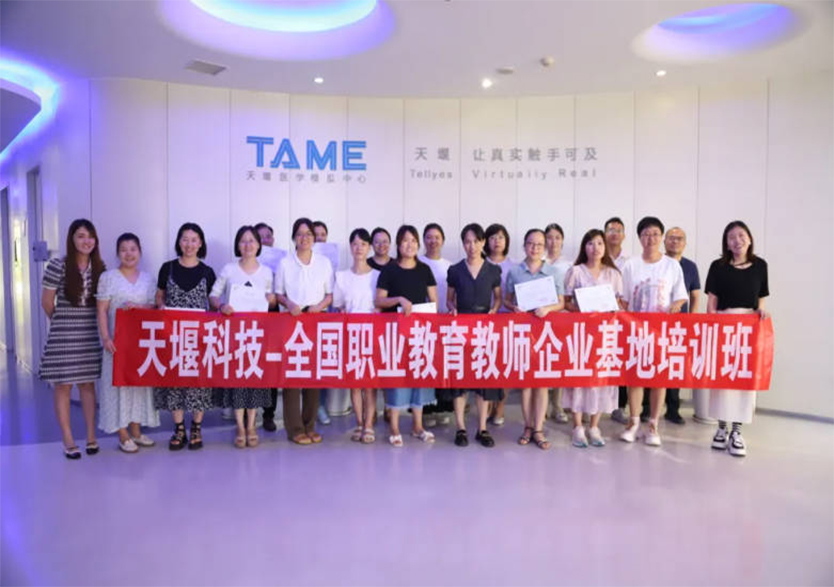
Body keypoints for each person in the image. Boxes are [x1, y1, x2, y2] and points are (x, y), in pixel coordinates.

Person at [40, 219, 105, 459]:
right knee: (64, 386)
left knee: (88, 385)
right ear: (72, 239)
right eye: (81, 236)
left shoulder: (100, 268)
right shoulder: (58, 266)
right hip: (63, 336)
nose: (86, 241)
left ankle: (90, 436)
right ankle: (68, 439)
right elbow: (47, 302)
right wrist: (62, 323)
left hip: (89, 335)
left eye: (90, 236)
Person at [619, 216, 687, 447]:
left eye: (656, 234)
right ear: (639, 238)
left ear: (662, 237)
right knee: (634, 377)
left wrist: (676, 305)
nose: (651, 238)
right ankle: (633, 422)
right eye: (646, 234)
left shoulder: (672, 265)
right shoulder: (630, 265)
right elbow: (624, 298)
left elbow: (680, 296)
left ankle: (653, 425)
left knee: (659, 378)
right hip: (635, 331)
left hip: (662, 332)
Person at [705, 221, 769, 457]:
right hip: (723, 325)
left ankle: (737, 432)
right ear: (726, 243)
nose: (737, 241)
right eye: (731, 237)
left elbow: (761, 297)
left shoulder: (760, 266)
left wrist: (761, 312)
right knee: (722, 379)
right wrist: (713, 324)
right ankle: (721, 428)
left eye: (741, 235)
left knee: (743, 380)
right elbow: (712, 301)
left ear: (750, 239)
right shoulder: (718, 266)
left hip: (748, 329)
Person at [209, 226, 275, 448]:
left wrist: (271, 299)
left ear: (259, 245)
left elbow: (272, 300)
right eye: (243, 241)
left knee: (254, 377)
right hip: (234, 334)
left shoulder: (266, 272)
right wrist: (222, 306)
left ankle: (251, 424)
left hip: (257, 334)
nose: (248, 245)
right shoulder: (229, 269)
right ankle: (239, 425)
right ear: (238, 245)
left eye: (252, 241)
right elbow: (213, 296)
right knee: (237, 379)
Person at [154, 222, 217, 451]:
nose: (189, 244)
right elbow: (159, 295)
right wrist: (161, 306)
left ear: (200, 244)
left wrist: (224, 308)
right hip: (172, 337)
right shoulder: (167, 268)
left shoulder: (208, 272)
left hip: (199, 338)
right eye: (185, 239)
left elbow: (213, 302)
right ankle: (179, 428)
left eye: (194, 240)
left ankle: (196, 428)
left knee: (199, 382)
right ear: (179, 242)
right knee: (174, 382)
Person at [375, 225, 438, 447]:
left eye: (413, 241)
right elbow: (379, 300)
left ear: (418, 244)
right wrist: (399, 300)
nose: (409, 245)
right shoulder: (390, 270)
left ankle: (417, 426)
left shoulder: (424, 270)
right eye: (404, 241)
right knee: (397, 377)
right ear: (398, 245)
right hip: (395, 333)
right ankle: (394, 426)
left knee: (419, 375)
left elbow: (434, 301)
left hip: (420, 332)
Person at [96, 232, 159, 453]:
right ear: (117, 253)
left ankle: (136, 431)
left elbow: (154, 307)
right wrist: (105, 337)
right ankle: (122, 434)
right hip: (116, 344)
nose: (128, 254)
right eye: (123, 250)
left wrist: (139, 307)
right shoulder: (108, 278)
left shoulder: (148, 279)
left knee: (139, 386)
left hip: (141, 345)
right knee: (119, 386)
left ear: (139, 252)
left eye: (133, 249)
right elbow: (102, 310)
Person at [562, 229, 624, 448]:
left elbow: (620, 303)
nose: (595, 248)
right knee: (579, 377)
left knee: (601, 377)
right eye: (590, 243)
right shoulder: (575, 272)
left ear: (605, 247)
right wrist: (580, 309)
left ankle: (595, 426)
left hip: (605, 335)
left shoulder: (613, 274)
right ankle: (578, 426)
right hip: (580, 334)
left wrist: (611, 309)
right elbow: (565, 302)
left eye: (599, 243)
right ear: (584, 247)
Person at [504, 228, 565, 450]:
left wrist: (548, 309)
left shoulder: (554, 272)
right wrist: (514, 307)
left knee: (542, 382)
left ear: (545, 247)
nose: (535, 248)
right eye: (531, 244)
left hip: (545, 333)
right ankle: (527, 426)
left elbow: (561, 302)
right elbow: (507, 300)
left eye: (539, 244)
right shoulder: (515, 272)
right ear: (524, 246)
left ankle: (538, 428)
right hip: (523, 333)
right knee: (526, 383)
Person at [274, 217, 334, 445]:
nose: (304, 238)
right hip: (291, 323)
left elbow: (330, 294)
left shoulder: (324, 263)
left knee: (313, 376)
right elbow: (278, 293)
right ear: (293, 238)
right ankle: (295, 428)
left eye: (308, 234)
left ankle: (310, 425)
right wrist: (288, 303)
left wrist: (318, 306)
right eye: (299, 234)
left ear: (314, 238)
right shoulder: (284, 263)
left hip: (316, 322)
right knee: (292, 377)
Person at [446, 223, 503, 448]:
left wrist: (494, 310)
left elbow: (498, 297)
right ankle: (460, 427)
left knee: (483, 380)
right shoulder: (455, 270)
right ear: (463, 244)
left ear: (483, 243)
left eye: (476, 241)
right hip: (461, 330)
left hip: (484, 330)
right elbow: (449, 299)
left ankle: (482, 428)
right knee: (459, 380)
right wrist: (452, 308)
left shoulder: (493, 270)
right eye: (467, 242)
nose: (472, 246)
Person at [640, 226, 701, 425]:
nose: (675, 241)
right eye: (671, 238)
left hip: (678, 326)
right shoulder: (658, 263)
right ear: (664, 241)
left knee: (674, 366)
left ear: (685, 243)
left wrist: (691, 320)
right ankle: (646, 409)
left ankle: (673, 409)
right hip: (654, 324)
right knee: (650, 365)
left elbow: (694, 295)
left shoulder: (690, 267)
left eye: (679, 238)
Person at [333, 228, 380, 444]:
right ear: (350, 247)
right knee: (354, 383)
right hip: (350, 335)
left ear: (369, 248)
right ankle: (359, 423)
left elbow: (381, 304)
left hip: (372, 335)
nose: (359, 248)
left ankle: (369, 425)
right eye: (355, 244)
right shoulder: (342, 276)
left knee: (369, 384)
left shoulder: (377, 276)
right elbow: (338, 305)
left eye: (363, 244)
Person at [418, 222, 453, 428]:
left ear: (443, 240)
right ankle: (426, 410)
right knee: (425, 366)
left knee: (444, 367)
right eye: (429, 237)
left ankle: (442, 408)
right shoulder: (418, 263)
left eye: (437, 237)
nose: (433, 241)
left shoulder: (450, 266)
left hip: (445, 322)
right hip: (423, 323)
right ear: (423, 241)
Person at [255, 220, 286, 432]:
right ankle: (246, 413)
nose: (265, 241)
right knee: (249, 362)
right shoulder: (244, 263)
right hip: (251, 318)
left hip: (273, 317)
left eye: (268, 236)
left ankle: (269, 414)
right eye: (260, 237)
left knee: (271, 366)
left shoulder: (282, 262)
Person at [484, 222, 515, 426]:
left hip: (508, 320)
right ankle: (487, 404)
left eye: (501, 237)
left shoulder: (514, 266)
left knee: (505, 366)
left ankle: (500, 406)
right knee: (487, 364)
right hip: (485, 320)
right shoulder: (480, 262)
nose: (497, 241)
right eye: (493, 237)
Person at [544, 222, 572, 424]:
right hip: (540, 317)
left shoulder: (569, 265)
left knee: (559, 362)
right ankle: (542, 405)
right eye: (549, 237)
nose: (553, 242)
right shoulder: (538, 261)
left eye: (557, 238)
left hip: (562, 317)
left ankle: (558, 405)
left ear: (562, 241)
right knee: (542, 361)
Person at [604, 216, 631, 425]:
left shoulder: (629, 262)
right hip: (599, 320)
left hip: (622, 319)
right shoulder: (597, 256)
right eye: (611, 230)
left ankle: (619, 407)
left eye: (618, 230)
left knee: (621, 362)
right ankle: (592, 407)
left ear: (624, 235)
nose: (614, 234)